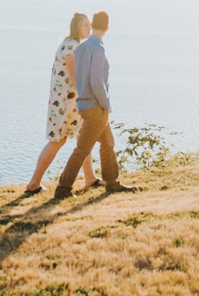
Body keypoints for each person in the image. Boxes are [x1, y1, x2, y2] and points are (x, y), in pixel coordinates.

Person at [54, 11, 137, 198]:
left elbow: (79, 77)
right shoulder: (98, 49)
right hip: (96, 107)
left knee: (108, 143)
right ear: (107, 28)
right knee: (83, 149)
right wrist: (106, 104)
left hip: (84, 105)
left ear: (92, 25)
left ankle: (112, 183)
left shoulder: (82, 47)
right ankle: (63, 188)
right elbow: (96, 81)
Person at [24, 13, 99, 194]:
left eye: (89, 25)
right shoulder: (72, 46)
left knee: (83, 138)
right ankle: (34, 184)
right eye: (85, 25)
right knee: (58, 140)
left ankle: (90, 178)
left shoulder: (71, 45)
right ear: (77, 27)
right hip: (66, 104)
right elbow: (74, 77)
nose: (89, 28)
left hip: (69, 102)